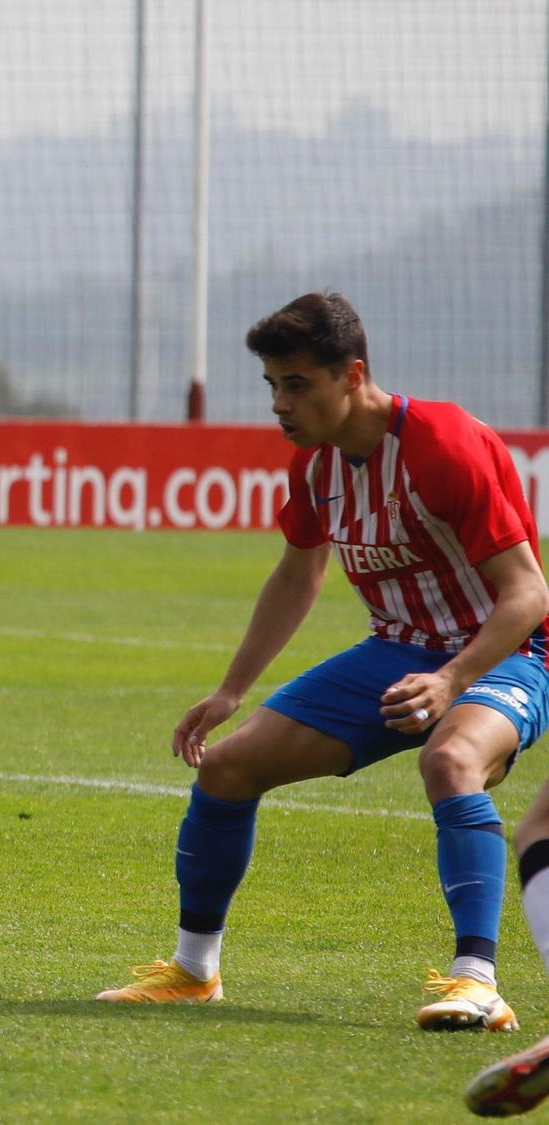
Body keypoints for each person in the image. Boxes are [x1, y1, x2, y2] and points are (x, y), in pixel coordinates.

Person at [95, 292, 549, 1033]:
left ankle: (478, 982)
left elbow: (529, 594)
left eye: (296, 383)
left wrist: (451, 679)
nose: (280, 403)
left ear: (353, 375)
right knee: (227, 768)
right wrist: (230, 690)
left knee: (450, 761)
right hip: (395, 651)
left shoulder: (442, 442)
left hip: (507, 652)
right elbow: (297, 575)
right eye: (272, 384)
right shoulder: (316, 468)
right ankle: (192, 970)